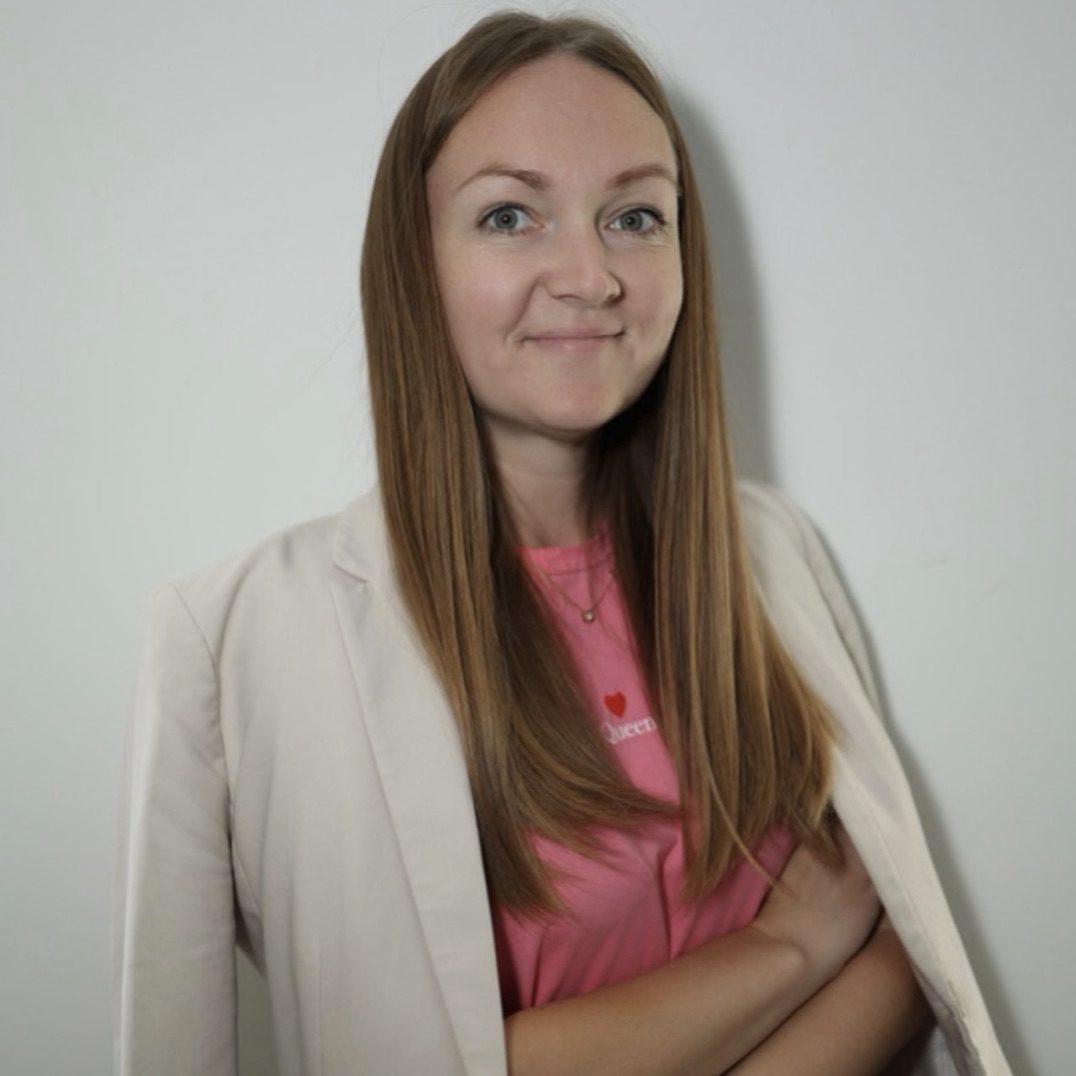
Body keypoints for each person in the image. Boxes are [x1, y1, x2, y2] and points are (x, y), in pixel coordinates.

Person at [113, 11, 1010, 1075]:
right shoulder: (239, 642)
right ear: (413, 263)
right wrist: (789, 946)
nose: (589, 275)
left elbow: (907, 951)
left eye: (634, 215)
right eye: (509, 216)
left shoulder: (773, 552)